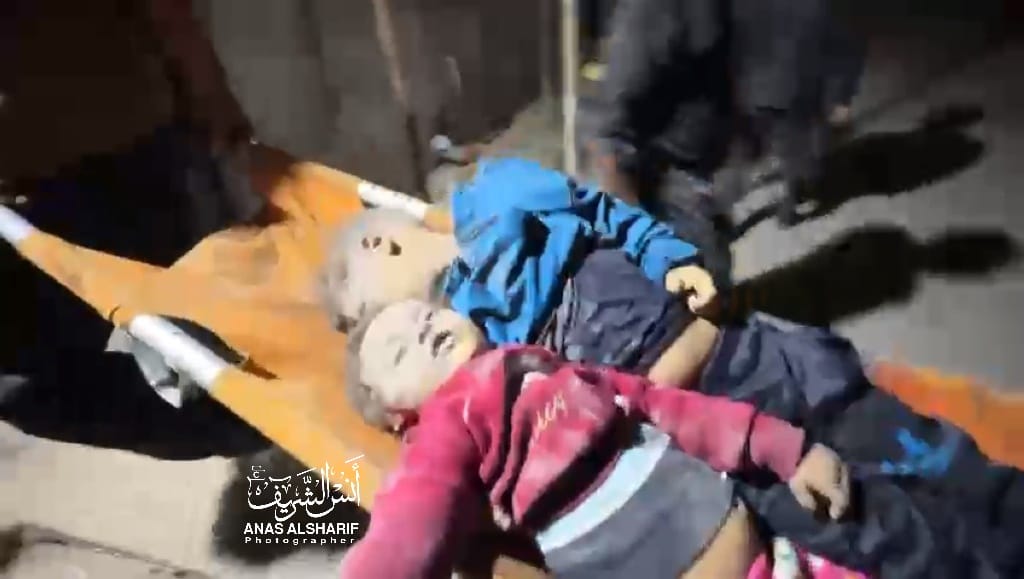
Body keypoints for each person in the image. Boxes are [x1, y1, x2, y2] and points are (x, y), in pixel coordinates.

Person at [339, 299, 1024, 578]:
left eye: (426, 314)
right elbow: (410, 522)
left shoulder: (543, 366)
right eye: (400, 351)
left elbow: (666, 406)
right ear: (399, 416)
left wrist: (786, 448)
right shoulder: (448, 426)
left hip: (779, 557)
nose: (423, 331)